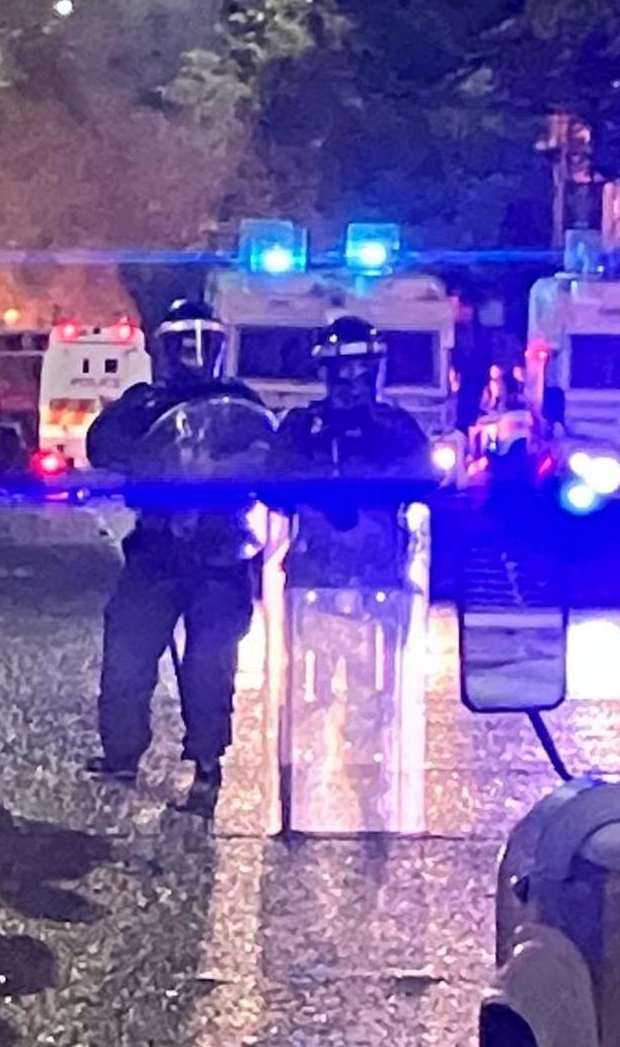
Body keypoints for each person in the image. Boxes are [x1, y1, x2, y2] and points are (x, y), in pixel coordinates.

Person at [83, 296, 273, 812]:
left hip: (221, 544)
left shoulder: (238, 400)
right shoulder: (144, 400)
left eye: (203, 342)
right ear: (164, 350)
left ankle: (208, 762)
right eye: (182, 344)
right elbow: (101, 443)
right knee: (127, 652)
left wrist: (226, 463)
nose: (193, 354)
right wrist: (146, 449)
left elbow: (265, 451)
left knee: (211, 663)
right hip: (158, 544)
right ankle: (121, 751)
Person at [272, 313, 438, 589]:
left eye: (365, 367)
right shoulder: (302, 424)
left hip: (379, 568)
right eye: (346, 367)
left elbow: (424, 476)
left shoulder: (395, 425)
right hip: (315, 567)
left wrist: (378, 483)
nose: (356, 376)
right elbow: (272, 479)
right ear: (326, 370)